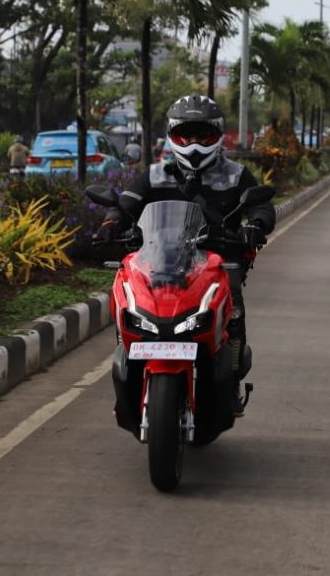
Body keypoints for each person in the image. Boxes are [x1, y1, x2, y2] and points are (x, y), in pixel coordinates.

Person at [97, 95, 276, 421]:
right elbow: (125, 206)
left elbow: (261, 207)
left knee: (233, 316)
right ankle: (129, 378)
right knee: (131, 310)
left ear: (217, 135)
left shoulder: (236, 175)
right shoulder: (155, 175)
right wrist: (111, 222)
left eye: (202, 135)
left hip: (217, 264)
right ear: (172, 135)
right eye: (186, 134)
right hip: (159, 263)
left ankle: (230, 381)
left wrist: (256, 225)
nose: (194, 142)